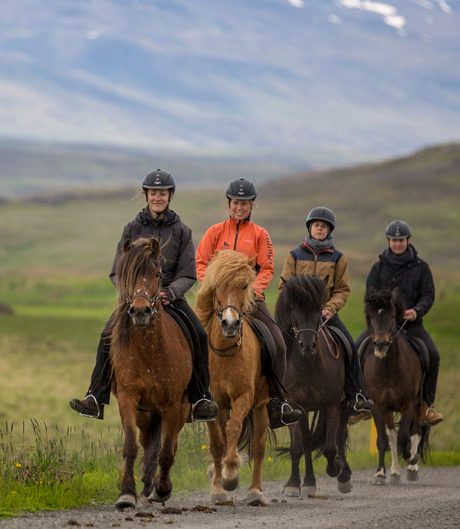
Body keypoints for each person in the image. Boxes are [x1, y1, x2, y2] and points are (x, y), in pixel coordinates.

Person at [69, 169, 219, 422]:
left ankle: (201, 397)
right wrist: (131, 293)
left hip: (169, 297)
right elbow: (117, 271)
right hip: (135, 299)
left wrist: (169, 292)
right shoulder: (132, 228)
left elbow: (188, 273)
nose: (157, 197)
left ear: (170, 196)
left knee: (200, 334)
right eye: (153, 193)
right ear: (146, 195)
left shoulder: (182, 231)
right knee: (107, 334)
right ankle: (95, 396)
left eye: (162, 193)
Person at [195, 178, 304, 427]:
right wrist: (211, 284)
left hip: (250, 300)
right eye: (235, 203)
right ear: (228, 204)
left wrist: (252, 291)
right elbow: (201, 262)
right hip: (219, 301)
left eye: (244, 203)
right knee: (194, 337)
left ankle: (278, 401)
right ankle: (197, 395)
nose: (239, 207)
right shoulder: (214, 232)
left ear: (251, 206)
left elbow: (266, 268)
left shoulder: (260, 234)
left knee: (277, 341)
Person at [278, 207, 374, 415]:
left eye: (323, 226)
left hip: (325, 315)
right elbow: (284, 286)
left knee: (349, 345)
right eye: (316, 225)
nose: (319, 229)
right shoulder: (294, 255)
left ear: (329, 230)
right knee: (276, 346)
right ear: (310, 228)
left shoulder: (338, 258)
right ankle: (276, 398)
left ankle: (358, 394)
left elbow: (342, 289)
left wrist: (330, 308)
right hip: (299, 318)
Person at [362, 220, 444, 426]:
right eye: (394, 240)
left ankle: (426, 406)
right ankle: (360, 400)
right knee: (355, 350)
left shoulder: (421, 267)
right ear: (388, 241)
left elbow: (428, 295)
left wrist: (416, 311)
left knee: (433, 355)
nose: (397, 244)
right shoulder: (378, 268)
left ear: (408, 241)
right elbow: (369, 297)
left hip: (411, 325)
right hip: (381, 326)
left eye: (401, 240)